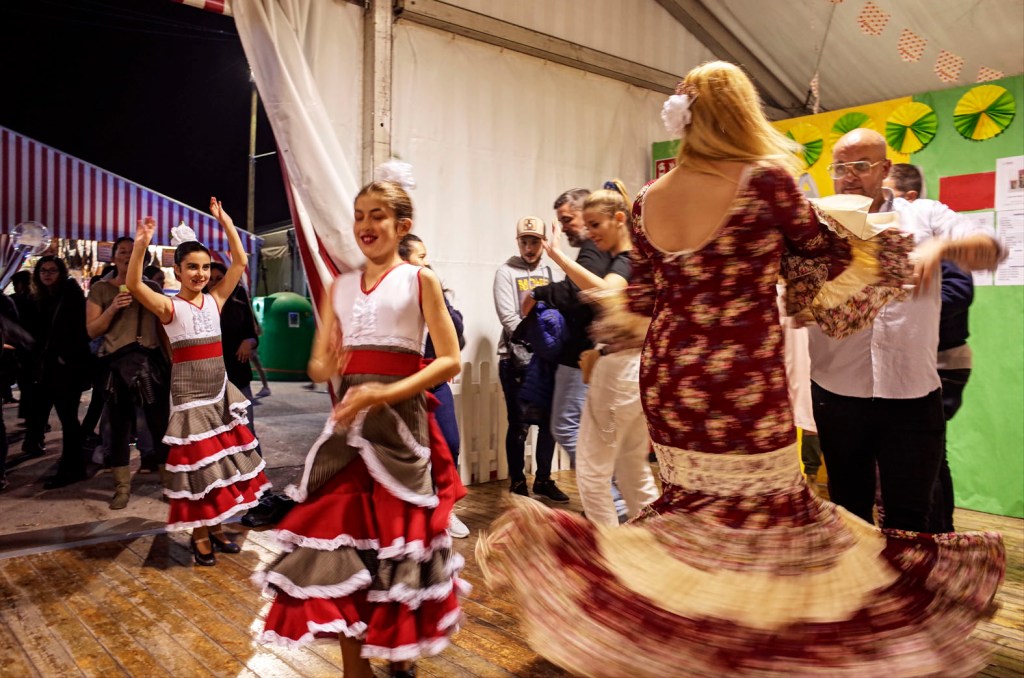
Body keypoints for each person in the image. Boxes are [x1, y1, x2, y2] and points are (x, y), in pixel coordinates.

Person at [477, 61, 1004, 676]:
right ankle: (756, 646)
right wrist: (872, 246)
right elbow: (821, 251)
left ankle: (691, 640)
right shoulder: (765, 183)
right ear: (743, 112)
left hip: (673, 377)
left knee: (692, 510)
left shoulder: (649, 198)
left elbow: (643, 302)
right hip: (742, 378)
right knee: (769, 516)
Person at [254, 165, 466, 678]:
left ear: (401, 224)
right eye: (358, 216)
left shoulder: (421, 279)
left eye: (378, 216)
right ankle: (356, 668)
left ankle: (400, 649)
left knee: (401, 539)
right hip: (348, 434)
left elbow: (450, 360)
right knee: (342, 540)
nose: (365, 224)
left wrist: (386, 390)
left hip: (401, 429)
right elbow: (320, 367)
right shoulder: (340, 287)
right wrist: (328, 359)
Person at [808, 131, 1003, 533]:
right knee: (848, 511)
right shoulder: (813, 223)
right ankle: (862, 592)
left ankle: (912, 589)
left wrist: (941, 249)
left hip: (912, 391)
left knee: (912, 514)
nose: (849, 176)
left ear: (884, 169)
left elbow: (991, 247)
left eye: (861, 166)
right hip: (837, 391)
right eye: (839, 168)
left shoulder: (926, 216)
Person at [127, 201, 271, 565]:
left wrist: (227, 222)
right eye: (192, 267)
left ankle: (217, 528)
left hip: (220, 396)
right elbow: (133, 284)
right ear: (177, 269)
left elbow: (238, 262)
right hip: (190, 402)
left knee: (222, 469)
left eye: (205, 267)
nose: (201, 273)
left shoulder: (215, 301)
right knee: (200, 471)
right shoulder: (169, 307)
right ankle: (200, 533)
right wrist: (142, 244)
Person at [540, 185, 658, 527]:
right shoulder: (640, 258)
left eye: (595, 225)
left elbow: (607, 296)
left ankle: (611, 552)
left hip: (621, 374)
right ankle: (653, 543)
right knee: (632, 469)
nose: (590, 234)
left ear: (619, 219)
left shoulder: (628, 260)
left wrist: (559, 258)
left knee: (593, 471)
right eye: (587, 225)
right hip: (633, 372)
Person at [885, 163, 975, 532]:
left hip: (941, 361)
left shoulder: (937, 236)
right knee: (927, 458)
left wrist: (904, 308)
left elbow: (959, 291)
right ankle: (935, 536)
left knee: (928, 458)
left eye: (887, 194)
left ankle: (938, 538)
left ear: (910, 198)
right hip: (918, 359)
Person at [526, 189, 613, 470]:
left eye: (567, 219)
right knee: (591, 431)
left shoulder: (594, 249)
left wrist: (538, 293)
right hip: (591, 355)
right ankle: (609, 499)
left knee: (565, 426)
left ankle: (612, 498)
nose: (564, 228)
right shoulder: (604, 252)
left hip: (582, 355)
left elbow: (577, 291)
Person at [87, 237, 170, 509]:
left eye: (134, 252)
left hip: (151, 365)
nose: (127, 256)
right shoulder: (101, 288)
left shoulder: (153, 288)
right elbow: (92, 330)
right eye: (122, 252)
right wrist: (113, 307)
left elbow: (162, 328)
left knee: (160, 426)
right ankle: (122, 487)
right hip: (116, 367)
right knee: (118, 428)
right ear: (113, 258)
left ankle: (169, 484)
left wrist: (172, 360)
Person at [399, 233, 470, 538]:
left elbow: (458, 337)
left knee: (449, 445)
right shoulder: (391, 295)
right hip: (403, 383)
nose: (427, 261)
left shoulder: (435, 290)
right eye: (421, 256)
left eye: (426, 255)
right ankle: (407, 517)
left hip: (435, 380)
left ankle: (446, 510)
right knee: (406, 453)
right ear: (404, 261)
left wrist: (438, 297)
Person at [493, 216, 564, 501]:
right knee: (519, 423)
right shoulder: (505, 272)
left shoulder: (552, 272)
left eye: (535, 241)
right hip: (516, 359)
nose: (529, 247)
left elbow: (558, 312)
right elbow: (509, 317)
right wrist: (542, 339)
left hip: (545, 359)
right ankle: (518, 481)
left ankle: (544, 479)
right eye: (525, 240)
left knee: (548, 423)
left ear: (543, 242)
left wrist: (552, 344)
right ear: (518, 241)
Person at [21, 256, 92, 489]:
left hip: (65, 369)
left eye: (52, 270)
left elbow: (78, 331)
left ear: (61, 272)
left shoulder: (70, 296)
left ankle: (72, 468)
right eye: (43, 270)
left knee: (68, 420)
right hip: (46, 369)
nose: (47, 274)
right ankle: (73, 466)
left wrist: (64, 357)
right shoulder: (39, 297)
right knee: (52, 417)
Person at [206, 261, 261, 453]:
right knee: (217, 435)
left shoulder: (239, 304)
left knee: (247, 430)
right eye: (210, 279)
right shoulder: (200, 306)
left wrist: (248, 342)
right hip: (211, 380)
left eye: (219, 278)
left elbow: (253, 336)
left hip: (238, 376)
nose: (214, 283)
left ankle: (256, 479)